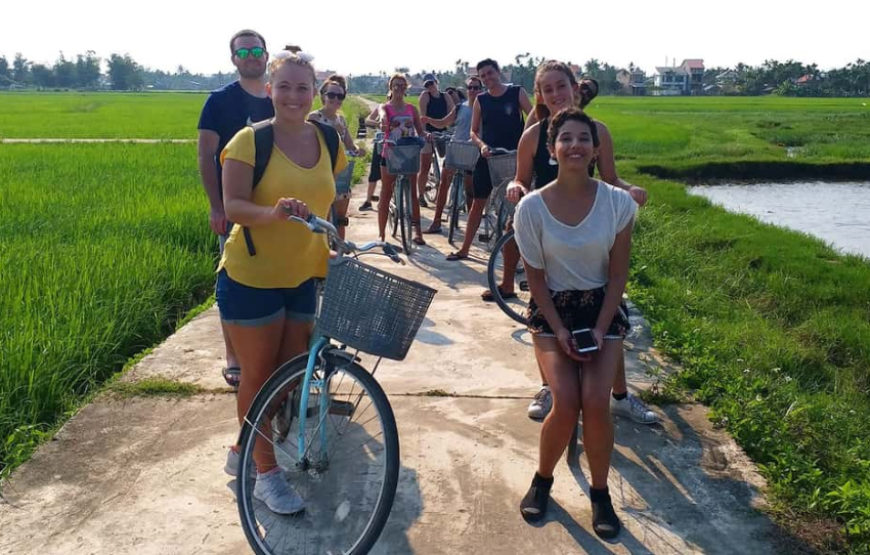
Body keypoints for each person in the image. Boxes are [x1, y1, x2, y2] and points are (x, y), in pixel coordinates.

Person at [217, 51, 348, 515]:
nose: (295, 95)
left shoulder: (329, 140)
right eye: (285, 86)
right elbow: (232, 206)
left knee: (289, 376)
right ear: (270, 90)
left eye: (303, 86)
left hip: (302, 275)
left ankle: (243, 451)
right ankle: (265, 477)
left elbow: (326, 203)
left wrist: (332, 245)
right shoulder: (250, 141)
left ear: (315, 91)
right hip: (252, 277)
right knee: (257, 377)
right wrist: (270, 213)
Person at [504, 61, 656, 425]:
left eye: (562, 86)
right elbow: (521, 179)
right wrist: (516, 189)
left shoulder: (596, 130)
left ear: (575, 88)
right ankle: (550, 387)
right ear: (540, 96)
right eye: (548, 89)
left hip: (589, 230)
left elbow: (611, 178)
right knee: (544, 311)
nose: (556, 95)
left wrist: (629, 189)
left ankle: (619, 395)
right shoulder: (533, 134)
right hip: (549, 231)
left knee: (609, 311)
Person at [515, 108, 635, 539]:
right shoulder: (530, 208)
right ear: (552, 149)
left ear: (596, 149)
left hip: (602, 310)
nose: (575, 146)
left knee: (596, 400)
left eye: (583, 138)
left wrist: (601, 329)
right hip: (553, 314)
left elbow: (618, 275)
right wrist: (561, 329)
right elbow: (536, 281)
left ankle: (600, 493)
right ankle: (542, 479)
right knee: (565, 399)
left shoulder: (618, 204)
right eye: (565, 138)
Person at [197, 29, 274, 390]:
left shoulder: (280, 98)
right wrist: (217, 205)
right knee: (232, 281)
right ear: (233, 60)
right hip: (235, 206)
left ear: (266, 55)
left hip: (276, 207)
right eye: (243, 52)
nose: (251, 56)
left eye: (257, 50)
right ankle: (233, 355)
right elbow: (205, 155)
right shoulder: (219, 101)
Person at [446, 58, 532, 261]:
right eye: (483, 75)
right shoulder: (481, 100)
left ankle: (526, 254)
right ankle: (465, 248)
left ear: (498, 72)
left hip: (515, 156)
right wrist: (482, 145)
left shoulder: (516, 92)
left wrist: (527, 143)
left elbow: (533, 117)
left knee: (520, 205)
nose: (487, 78)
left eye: (489, 73)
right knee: (478, 202)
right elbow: (474, 132)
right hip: (489, 156)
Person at [421, 76, 483, 233]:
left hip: (473, 150)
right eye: (470, 87)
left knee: (471, 189)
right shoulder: (460, 107)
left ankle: (471, 225)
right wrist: (428, 120)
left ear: (481, 90)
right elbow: (444, 123)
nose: (473, 91)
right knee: (444, 183)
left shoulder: (485, 108)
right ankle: (436, 222)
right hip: (456, 147)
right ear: (467, 89)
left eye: (476, 87)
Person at [308, 74, 365, 239]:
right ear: (323, 96)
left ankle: (339, 252)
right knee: (322, 216)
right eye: (331, 95)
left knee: (340, 218)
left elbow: (349, 144)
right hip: (321, 172)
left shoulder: (341, 119)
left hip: (339, 171)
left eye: (340, 96)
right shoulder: (314, 118)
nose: (335, 99)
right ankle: (323, 252)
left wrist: (357, 150)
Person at [376, 73, 428, 245]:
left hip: (409, 154)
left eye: (402, 85)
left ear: (406, 88)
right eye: (395, 85)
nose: (398, 88)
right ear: (390, 87)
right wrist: (384, 121)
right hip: (390, 153)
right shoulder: (386, 107)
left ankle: (417, 232)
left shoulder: (412, 109)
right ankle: (381, 235)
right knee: (386, 193)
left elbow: (420, 130)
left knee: (413, 193)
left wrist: (426, 136)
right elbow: (382, 115)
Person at [417, 73, 455, 208]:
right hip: (428, 132)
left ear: (436, 83)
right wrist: (424, 132)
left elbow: (453, 113)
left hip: (443, 131)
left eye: (431, 83)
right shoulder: (425, 96)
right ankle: (420, 194)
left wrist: (454, 129)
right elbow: (423, 116)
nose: (429, 87)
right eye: (427, 85)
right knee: (425, 165)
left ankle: (442, 195)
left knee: (449, 164)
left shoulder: (446, 96)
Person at [360, 105, 382, 211]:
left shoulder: (406, 108)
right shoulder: (381, 107)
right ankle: (368, 200)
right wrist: (379, 124)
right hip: (381, 142)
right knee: (374, 173)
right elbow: (368, 121)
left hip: (399, 144)